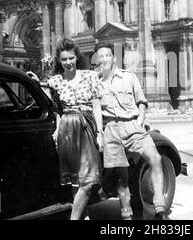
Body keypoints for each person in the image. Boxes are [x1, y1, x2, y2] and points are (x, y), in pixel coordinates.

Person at [28, 38, 104, 220]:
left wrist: (100, 133)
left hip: (86, 126)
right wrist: (57, 129)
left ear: (77, 57)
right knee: (76, 181)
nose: (68, 62)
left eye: (71, 58)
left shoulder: (90, 76)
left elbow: (96, 106)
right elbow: (57, 109)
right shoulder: (55, 82)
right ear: (59, 61)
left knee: (87, 181)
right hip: (67, 130)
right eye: (64, 59)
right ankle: (83, 217)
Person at [95, 43, 169, 220]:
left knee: (156, 159)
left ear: (114, 58)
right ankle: (127, 216)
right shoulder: (95, 83)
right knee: (122, 177)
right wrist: (99, 132)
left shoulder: (129, 77)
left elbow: (141, 101)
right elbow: (97, 109)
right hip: (111, 130)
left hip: (133, 127)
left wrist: (140, 119)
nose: (104, 59)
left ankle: (160, 209)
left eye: (107, 55)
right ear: (98, 60)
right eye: (101, 57)